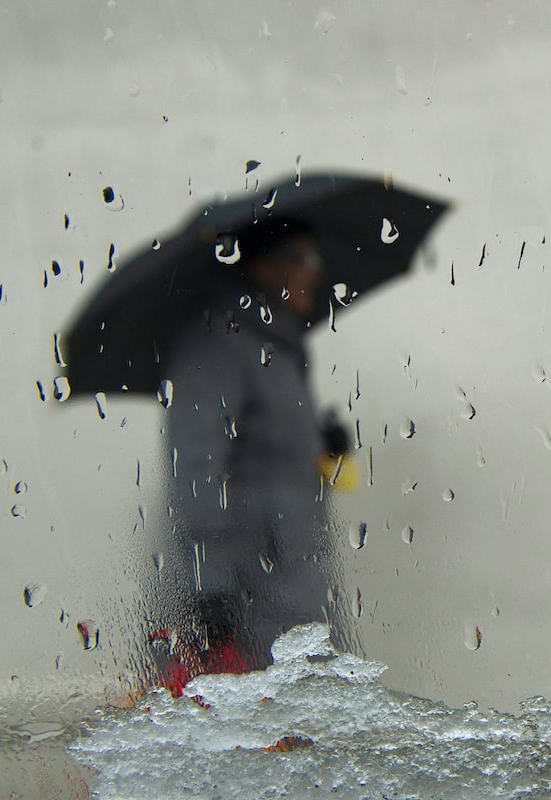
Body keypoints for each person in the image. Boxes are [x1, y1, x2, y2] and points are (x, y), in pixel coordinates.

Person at [150, 217, 337, 694]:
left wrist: (321, 441)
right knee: (245, 746)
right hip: (243, 599)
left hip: (287, 586)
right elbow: (194, 467)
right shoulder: (217, 341)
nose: (316, 273)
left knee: (295, 740)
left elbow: (263, 450)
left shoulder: (274, 343)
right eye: (305, 259)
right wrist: (209, 589)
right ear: (264, 265)